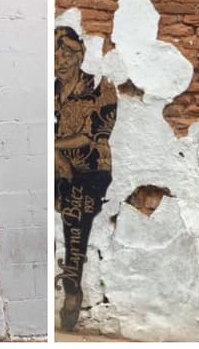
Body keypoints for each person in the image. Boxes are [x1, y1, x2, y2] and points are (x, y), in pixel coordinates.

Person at [54, 26, 116, 330]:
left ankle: (72, 291)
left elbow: (89, 135)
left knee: (74, 223)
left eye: (68, 53)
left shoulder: (99, 88)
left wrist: (52, 147)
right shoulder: (51, 91)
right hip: (58, 169)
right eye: (56, 54)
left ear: (80, 55)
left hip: (90, 171)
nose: (61, 60)